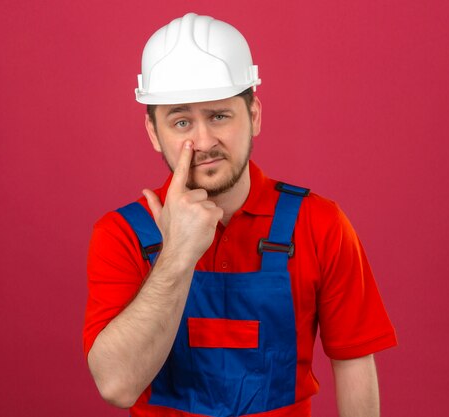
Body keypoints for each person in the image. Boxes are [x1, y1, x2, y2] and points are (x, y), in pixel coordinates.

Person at [84, 12, 397, 417]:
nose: (203, 141)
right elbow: (117, 386)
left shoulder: (320, 224)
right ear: (153, 133)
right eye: (181, 121)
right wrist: (178, 252)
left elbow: (354, 363)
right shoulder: (121, 234)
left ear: (253, 116)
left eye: (219, 115)